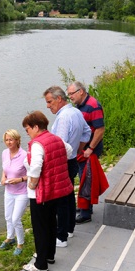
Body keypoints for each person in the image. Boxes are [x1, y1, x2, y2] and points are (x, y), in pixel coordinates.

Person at [22, 111, 74, 271]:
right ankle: (49, 255)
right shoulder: (55, 139)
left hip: (40, 193)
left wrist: (32, 183)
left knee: (40, 228)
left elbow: (36, 166)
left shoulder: (37, 144)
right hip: (55, 191)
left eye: (28, 129)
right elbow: (69, 151)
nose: (27, 133)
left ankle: (41, 264)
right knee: (51, 223)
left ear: (36, 127)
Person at [43, 86, 91, 246]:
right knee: (69, 195)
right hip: (72, 160)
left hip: (62, 163)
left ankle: (61, 236)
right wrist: (78, 149)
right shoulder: (76, 112)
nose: (48, 106)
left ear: (59, 99)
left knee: (61, 200)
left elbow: (59, 144)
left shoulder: (63, 117)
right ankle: (70, 229)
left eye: (50, 102)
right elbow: (87, 132)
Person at [66, 81, 105, 224]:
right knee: (84, 176)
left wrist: (90, 149)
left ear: (80, 91)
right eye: (68, 94)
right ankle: (86, 206)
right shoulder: (80, 105)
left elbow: (100, 129)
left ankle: (85, 213)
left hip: (90, 149)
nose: (70, 97)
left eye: (71, 93)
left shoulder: (93, 105)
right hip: (83, 148)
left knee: (85, 178)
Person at [0, 129, 28, 255]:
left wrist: (20, 179)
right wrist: (3, 178)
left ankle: (20, 244)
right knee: (8, 216)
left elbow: (32, 174)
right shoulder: (5, 153)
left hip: (22, 191)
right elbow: (5, 169)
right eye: (6, 140)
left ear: (17, 140)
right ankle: (10, 237)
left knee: (16, 218)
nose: (8, 142)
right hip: (8, 190)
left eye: (11, 139)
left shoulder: (24, 155)